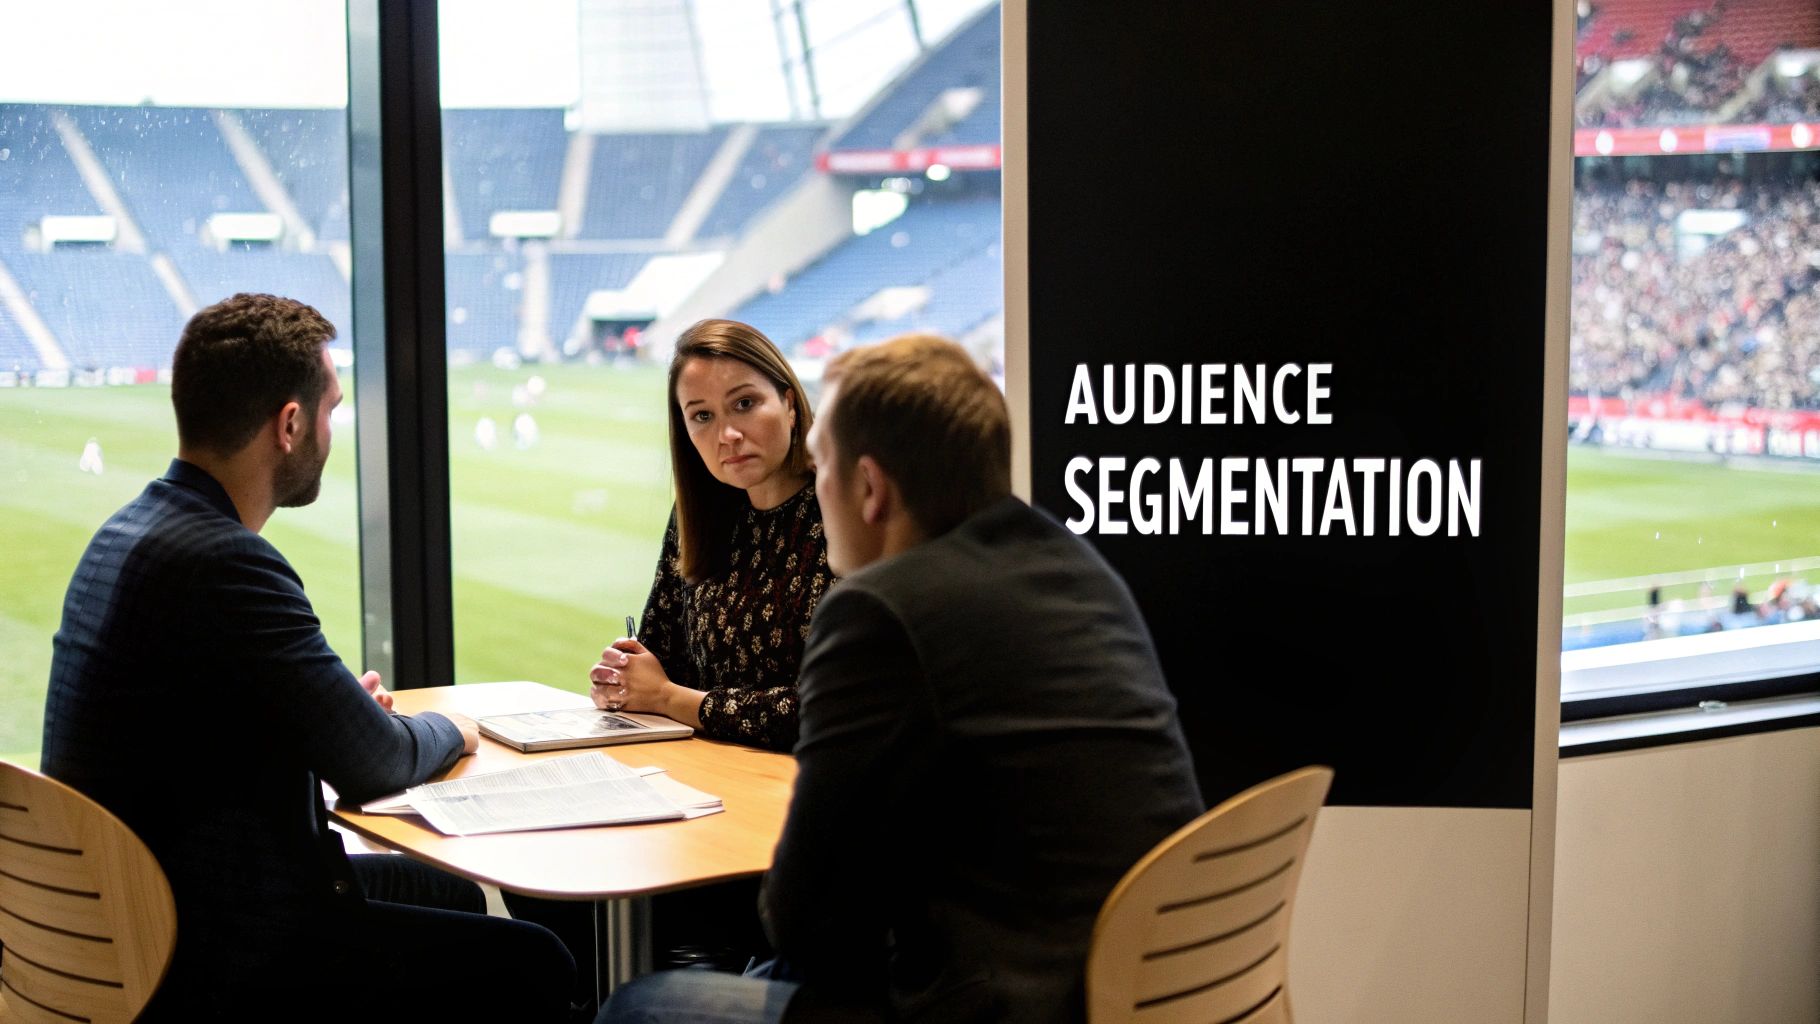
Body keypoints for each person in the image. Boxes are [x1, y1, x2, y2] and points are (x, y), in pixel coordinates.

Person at [601, 335, 1205, 1024]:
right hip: (1150, 979)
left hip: (1005, 997)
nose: (813, 484)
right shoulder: (1074, 564)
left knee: (642, 1006)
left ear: (869, 487)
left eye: (821, 464)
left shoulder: (880, 612)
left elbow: (804, 919)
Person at [40, 293, 573, 1020]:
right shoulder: (228, 560)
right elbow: (376, 764)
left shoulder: (124, 532)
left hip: (113, 933)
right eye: (331, 410)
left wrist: (332, 711)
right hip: (215, 953)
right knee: (536, 962)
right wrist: (457, 729)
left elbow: (208, 727)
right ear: (290, 424)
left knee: (453, 900)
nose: (332, 429)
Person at [588, 317, 834, 752]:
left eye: (745, 404)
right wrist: (624, 682)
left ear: (790, 403)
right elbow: (660, 657)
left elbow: (826, 706)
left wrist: (667, 697)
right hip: (708, 777)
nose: (728, 435)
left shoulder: (842, 514)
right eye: (702, 416)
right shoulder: (696, 514)